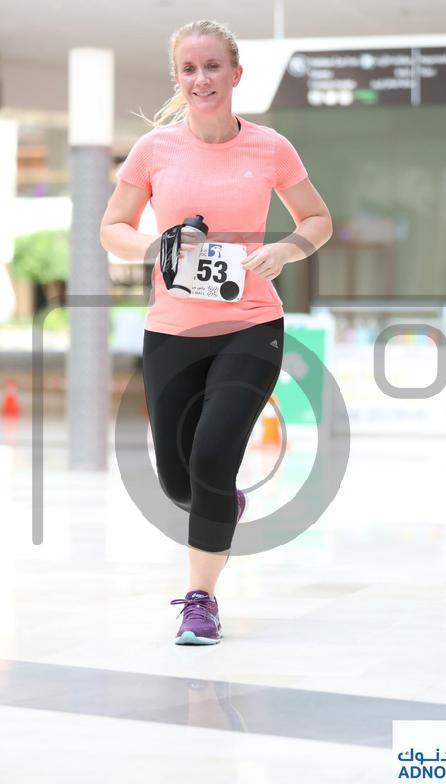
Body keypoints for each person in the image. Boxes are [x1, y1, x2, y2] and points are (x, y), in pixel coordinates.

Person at [100, 19, 332, 645]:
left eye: (212, 66)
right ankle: (219, 505)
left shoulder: (270, 148)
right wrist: (157, 246)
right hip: (172, 331)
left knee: (212, 457)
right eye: (189, 69)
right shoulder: (154, 151)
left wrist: (286, 249)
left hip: (250, 324)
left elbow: (317, 218)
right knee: (179, 483)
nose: (201, 79)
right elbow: (112, 228)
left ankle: (200, 601)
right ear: (177, 78)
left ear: (235, 74)